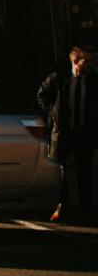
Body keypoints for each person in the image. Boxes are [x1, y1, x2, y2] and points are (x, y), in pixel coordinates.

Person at [37, 47, 98, 221]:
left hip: (84, 131)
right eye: (86, 61)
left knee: (84, 173)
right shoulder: (60, 77)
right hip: (63, 132)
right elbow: (41, 95)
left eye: (92, 61)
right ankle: (63, 205)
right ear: (75, 61)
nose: (90, 65)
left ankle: (87, 209)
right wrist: (54, 113)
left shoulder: (94, 79)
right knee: (60, 171)